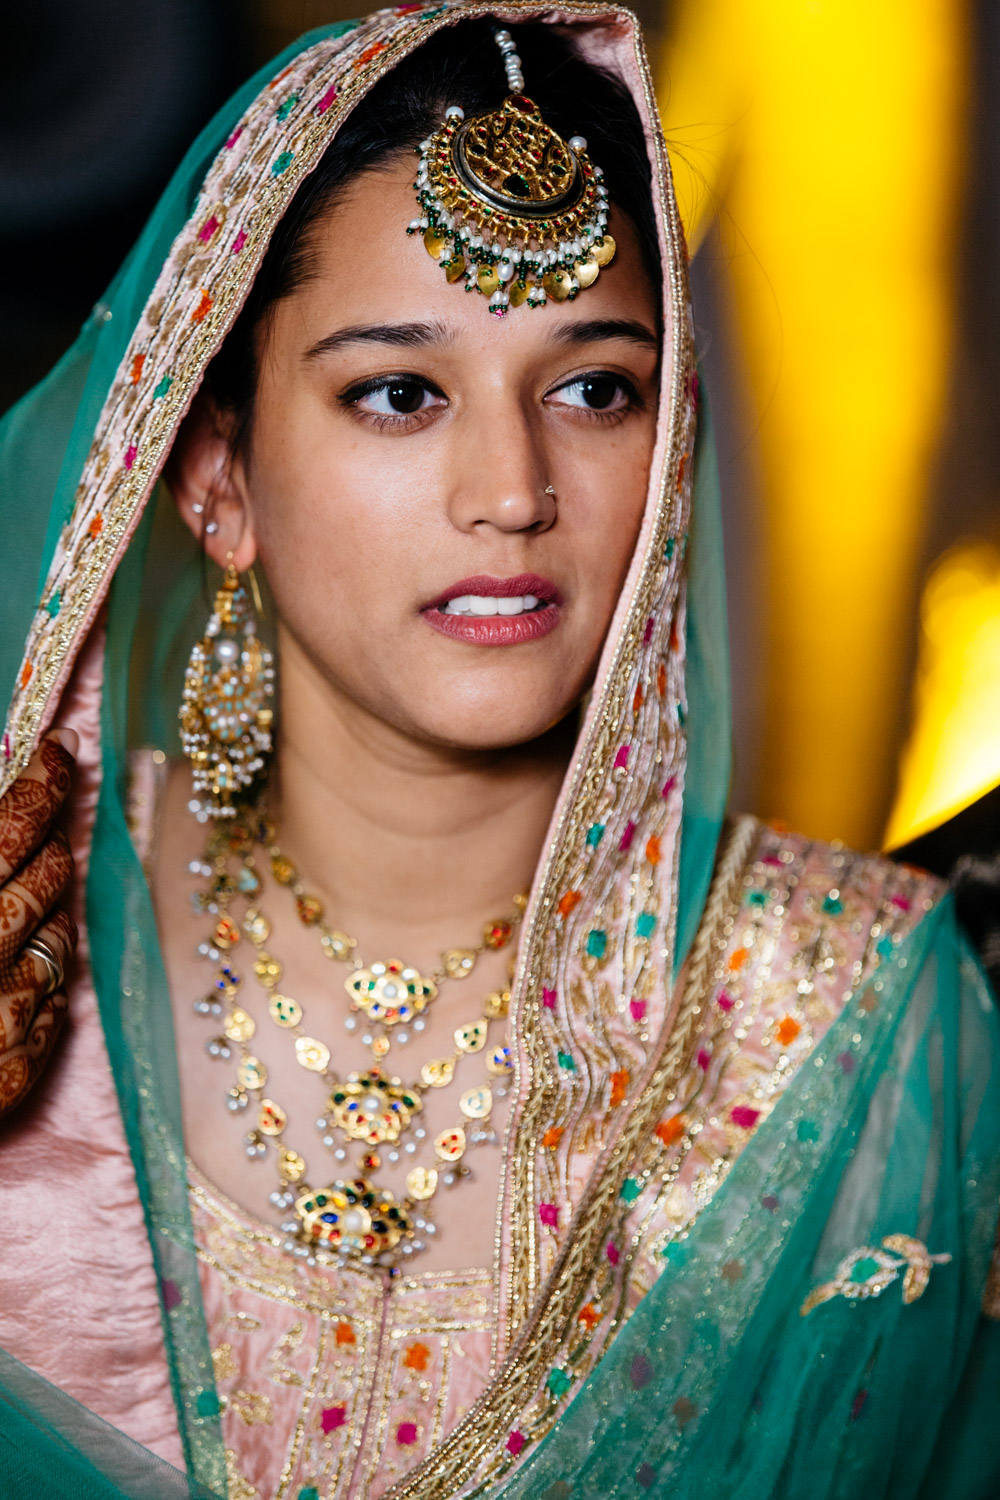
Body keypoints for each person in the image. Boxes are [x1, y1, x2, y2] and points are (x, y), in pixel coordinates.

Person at [0, 6, 997, 1498]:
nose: (513, 490)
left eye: (595, 388)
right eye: (399, 393)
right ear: (218, 481)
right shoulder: (32, 938)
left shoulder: (856, 1016)